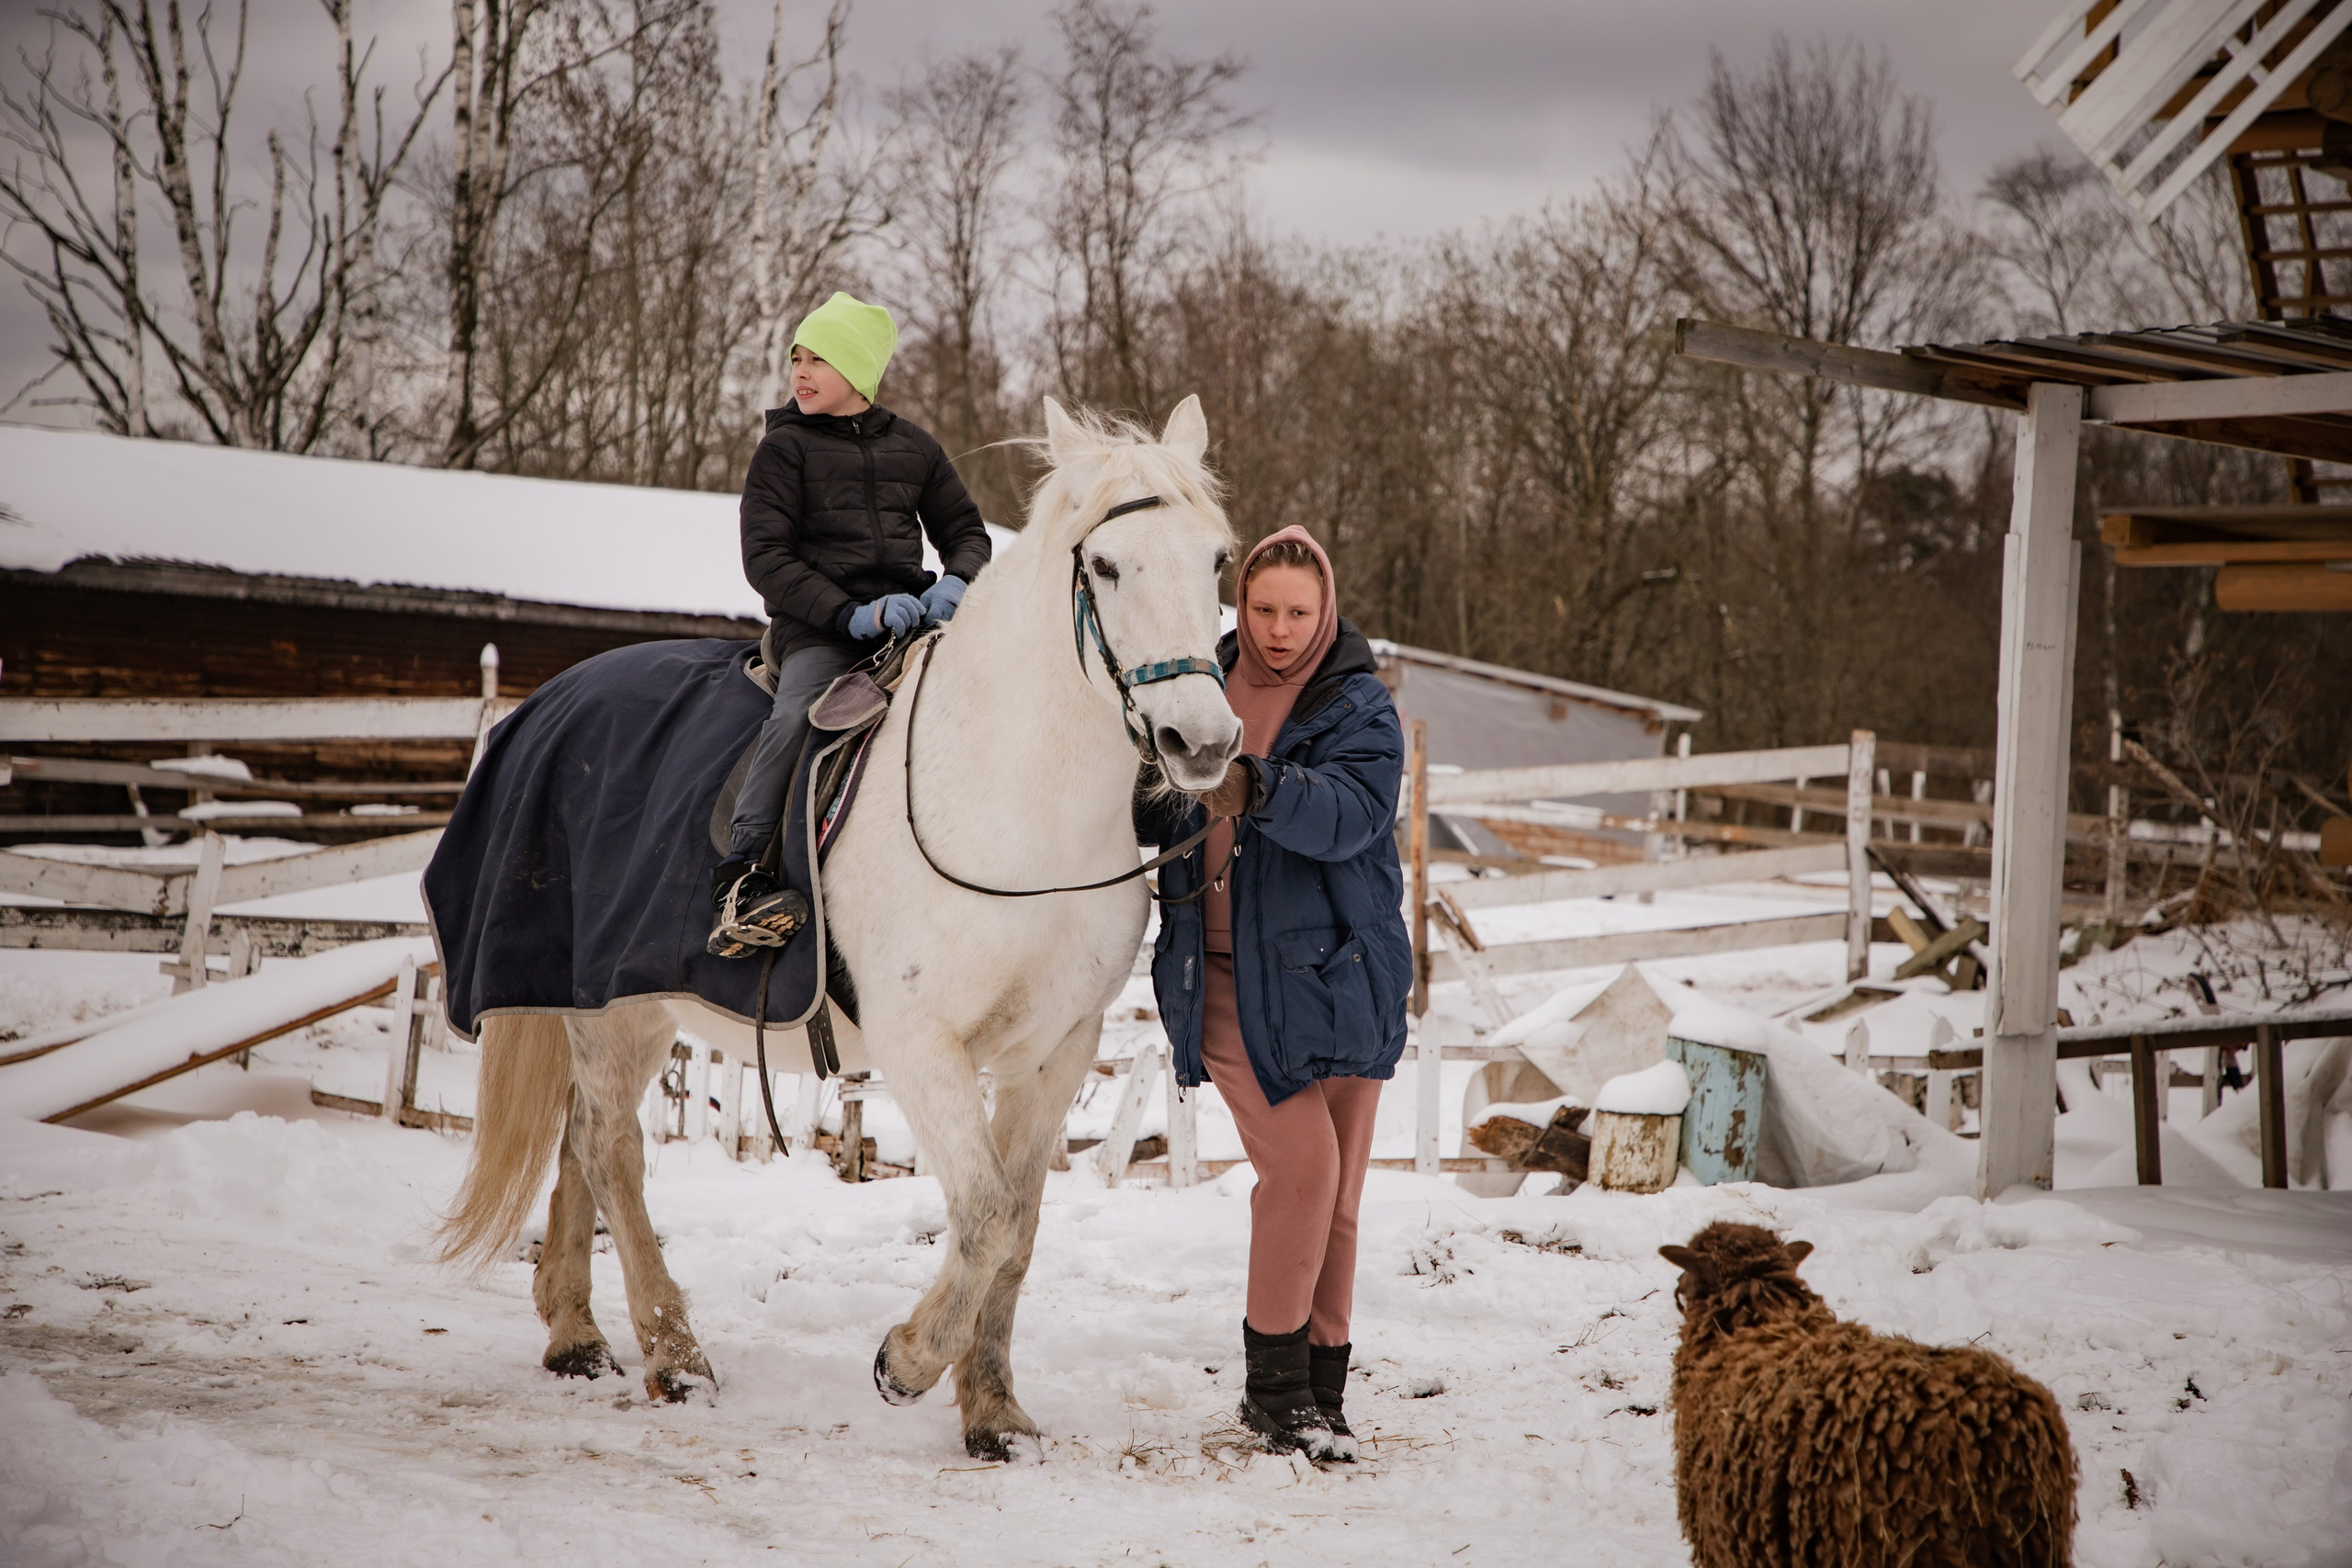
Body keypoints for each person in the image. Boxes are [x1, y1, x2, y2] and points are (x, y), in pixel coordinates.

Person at [1136, 525, 1411, 1461]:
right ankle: (1274, 1392)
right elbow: (1147, 805)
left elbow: (1353, 815)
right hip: (1229, 978)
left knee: (1336, 1200)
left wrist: (1257, 786)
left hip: (1343, 977)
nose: (1280, 629)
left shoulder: (1358, 704)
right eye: (1263, 609)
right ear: (1239, 606)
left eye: (1297, 611)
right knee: (1302, 1171)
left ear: (1325, 608)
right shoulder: (1199, 689)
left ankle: (1322, 1392)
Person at [709, 291, 992, 957]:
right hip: (818, 631)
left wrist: (955, 582)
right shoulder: (783, 450)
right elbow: (766, 558)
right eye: (797, 358)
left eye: (819, 359)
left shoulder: (915, 447)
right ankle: (743, 877)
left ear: (859, 371)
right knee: (795, 717)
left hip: (911, 623)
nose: (801, 372)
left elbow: (967, 532)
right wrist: (848, 613)